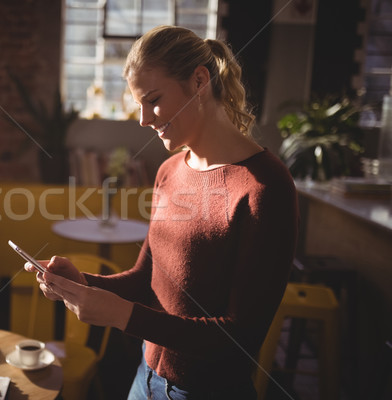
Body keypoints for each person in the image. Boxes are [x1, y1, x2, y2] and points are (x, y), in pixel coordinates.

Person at [25, 25, 298, 399]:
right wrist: (83, 284)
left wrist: (121, 316)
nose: (143, 119)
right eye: (138, 103)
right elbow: (145, 280)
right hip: (145, 381)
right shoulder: (169, 171)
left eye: (152, 99)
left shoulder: (265, 187)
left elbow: (240, 337)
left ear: (199, 81)